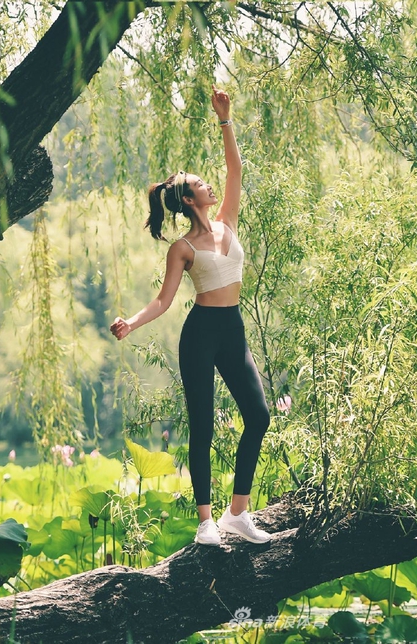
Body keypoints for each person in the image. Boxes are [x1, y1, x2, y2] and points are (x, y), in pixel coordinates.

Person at [110, 87, 272, 546]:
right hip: (200, 335)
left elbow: (235, 168)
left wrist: (226, 119)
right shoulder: (182, 248)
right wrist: (132, 322)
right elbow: (163, 301)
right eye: (201, 183)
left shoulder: (227, 222)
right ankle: (206, 524)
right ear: (187, 199)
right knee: (201, 424)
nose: (210, 185)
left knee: (257, 416)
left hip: (233, 329)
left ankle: (237, 513)